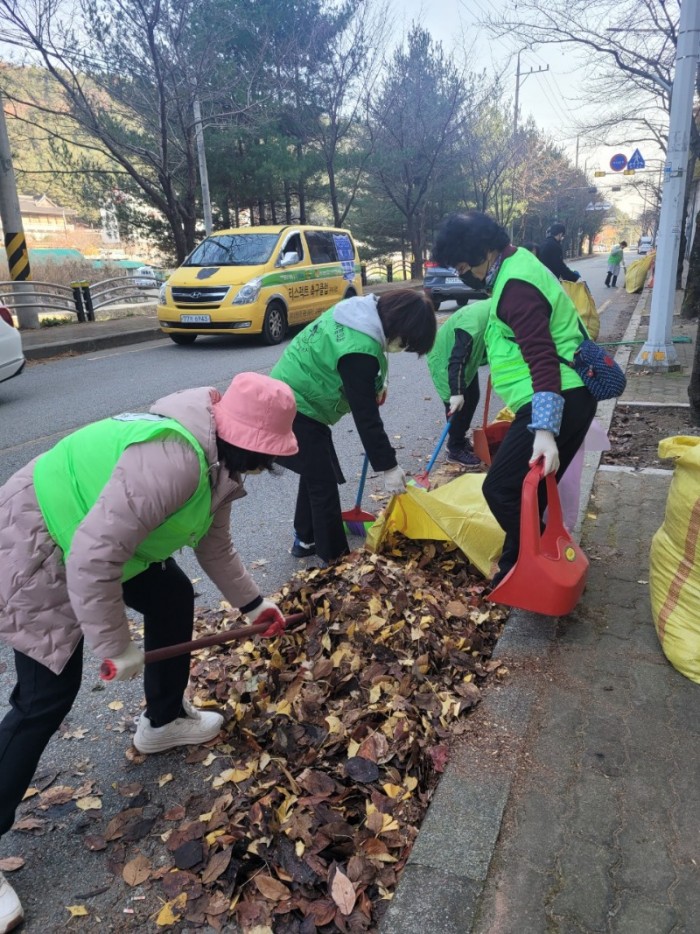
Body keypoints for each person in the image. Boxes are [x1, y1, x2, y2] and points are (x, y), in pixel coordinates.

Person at [0, 372, 297, 933]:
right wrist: (118, 647)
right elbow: (92, 556)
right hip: (39, 540)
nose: (264, 468)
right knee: (45, 696)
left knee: (171, 592)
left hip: (94, 540)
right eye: (265, 457)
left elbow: (214, 542)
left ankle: (162, 720)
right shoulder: (175, 459)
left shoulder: (217, 464)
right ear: (244, 442)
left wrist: (255, 607)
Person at [433, 211, 597, 589]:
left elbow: (541, 357)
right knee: (530, 490)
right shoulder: (516, 266)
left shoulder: (515, 287)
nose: (464, 276)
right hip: (562, 397)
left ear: (483, 253)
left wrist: (544, 429)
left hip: (557, 399)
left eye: (463, 268)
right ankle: (513, 573)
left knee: (501, 488)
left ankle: (542, 561)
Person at [271, 289, 436, 565]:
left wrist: (375, 384)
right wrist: (388, 466)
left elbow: (362, 374)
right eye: (405, 342)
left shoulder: (360, 312)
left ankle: (305, 539)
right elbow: (366, 418)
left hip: (292, 391)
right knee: (323, 480)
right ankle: (334, 559)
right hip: (296, 403)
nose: (402, 348)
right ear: (398, 325)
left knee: (315, 469)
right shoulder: (360, 350)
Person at [426, 299, 490, 467]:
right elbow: (456, 360)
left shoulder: (494, 311)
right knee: (458, 406)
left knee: (472, 396)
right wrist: (456, 392)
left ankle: (460, 440)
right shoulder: (472, 325)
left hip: (466, 361)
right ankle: (454, 449)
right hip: (446, 361)